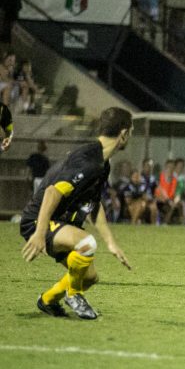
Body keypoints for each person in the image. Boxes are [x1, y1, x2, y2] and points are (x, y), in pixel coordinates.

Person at [20, 107, 133, 320]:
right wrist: (39, 232)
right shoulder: (89, 161)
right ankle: (74, 296)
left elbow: (93, 205)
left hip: (56, 221)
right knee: (87, 243)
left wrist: (111, 243)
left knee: (89, 277)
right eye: (131, 132)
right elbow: (52, 192)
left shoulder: (102, 163)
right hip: (39, 220)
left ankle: (47, 300)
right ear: (124, 133)